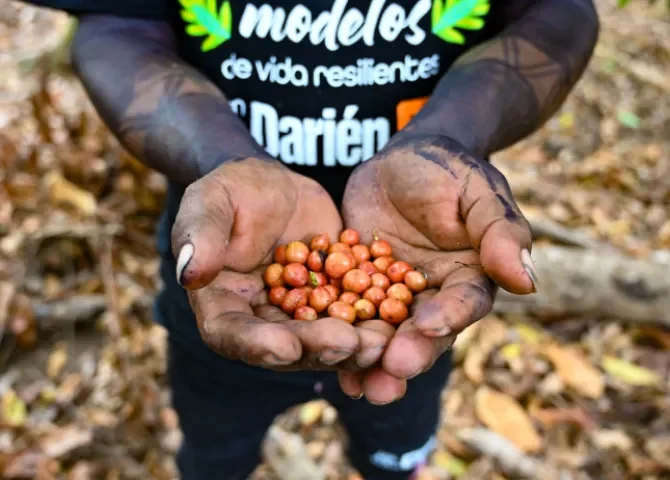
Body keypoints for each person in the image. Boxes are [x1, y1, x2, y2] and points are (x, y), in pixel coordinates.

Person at [23, 0, 599, 478]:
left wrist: (450, 134)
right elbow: (118, 24)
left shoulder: (391, 288)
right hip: (227, 275)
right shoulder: (280, 273)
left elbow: (559, 12)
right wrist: (223, 158)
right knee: (214, 456)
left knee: (395, 451)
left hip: (423, 302)